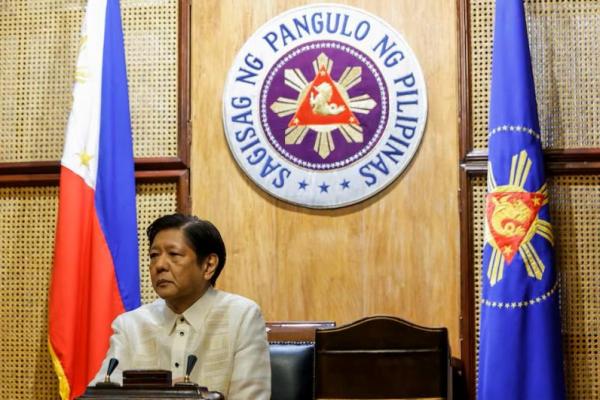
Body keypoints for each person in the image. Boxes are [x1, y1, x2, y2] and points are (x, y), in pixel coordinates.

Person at [91, 214, 271, 399]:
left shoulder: (241, 317)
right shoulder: (130, 325)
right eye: (154, 255)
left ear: (209, 265)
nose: (159, 265)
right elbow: (103, 394)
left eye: (174, 254)